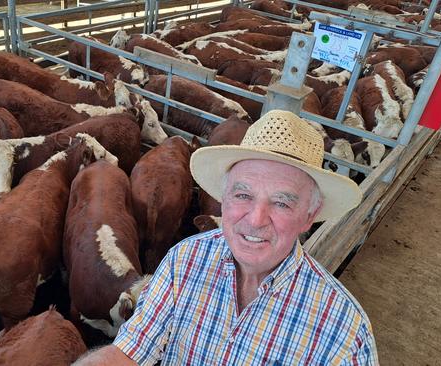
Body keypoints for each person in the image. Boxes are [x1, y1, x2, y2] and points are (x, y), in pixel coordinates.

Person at [74, 110, 379, 365]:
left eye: (282, 202)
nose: (256, 219)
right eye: (243, 194)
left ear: (309, 216)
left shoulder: (345, 333)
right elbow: (128, 351)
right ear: (224, 197)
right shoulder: (184, 261)